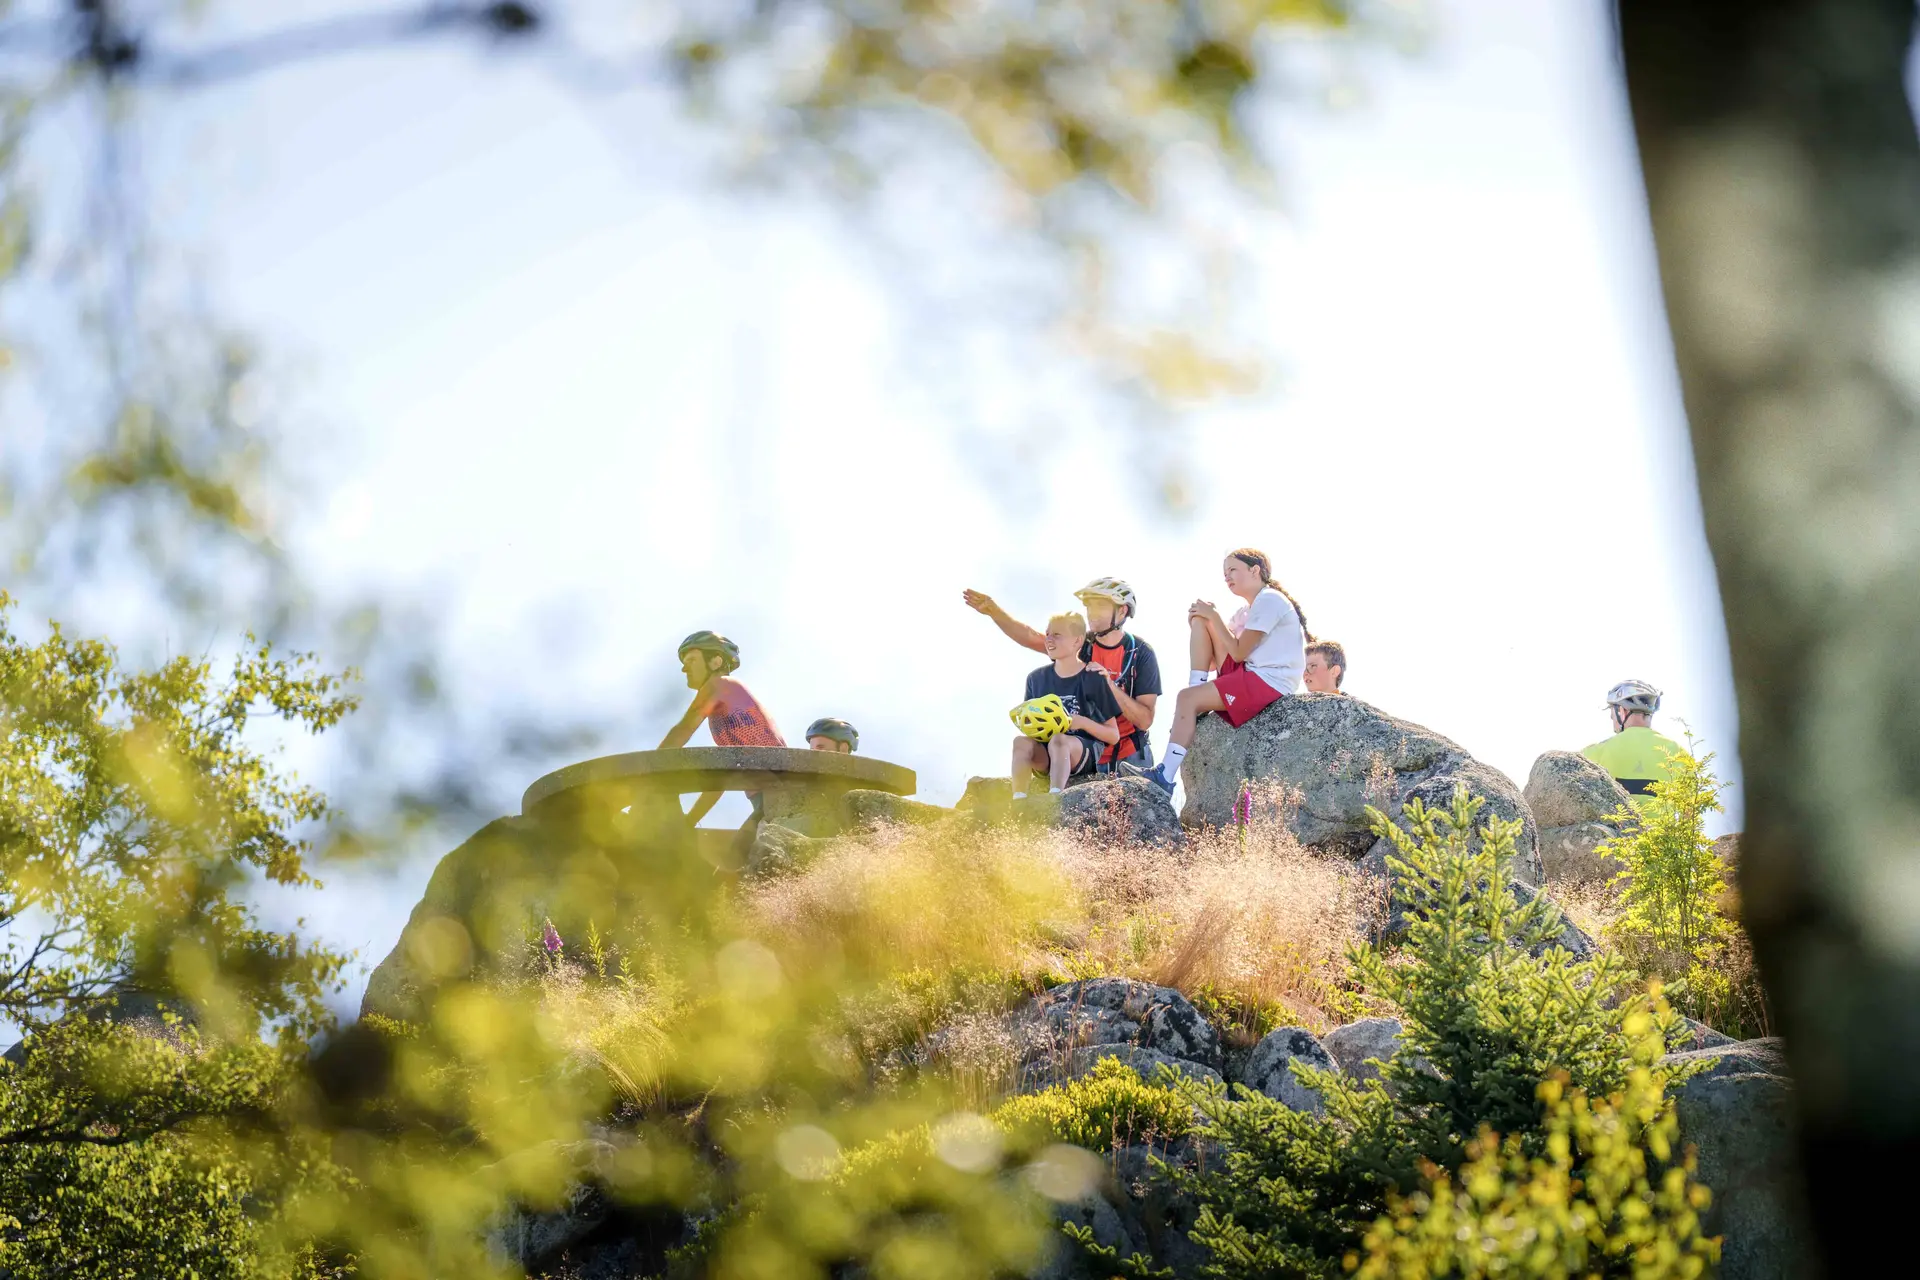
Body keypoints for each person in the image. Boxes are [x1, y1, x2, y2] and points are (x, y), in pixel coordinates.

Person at [1124, 548, 1309, 800]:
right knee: (1202, 618)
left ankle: (1164, 777)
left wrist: (1214, 616)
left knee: (1186, 698)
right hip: (1250, 673)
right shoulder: (1250, 608)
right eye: (1225, 573)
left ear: (1255, 570)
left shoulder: (1270, 600)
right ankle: (1196, 692)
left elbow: (1239, 652)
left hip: (1269, 682)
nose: (1227, 577)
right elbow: (1213, 663)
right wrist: (1203, 623)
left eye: (1233, 569)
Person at [963, 577, 1162, 768]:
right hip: (1085, 752)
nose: (1091, 613)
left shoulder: (1140, 652)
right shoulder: (1080, 644)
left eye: (1100, 606)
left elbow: (1144, 720)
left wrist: (1108, 684)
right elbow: (1031, 638)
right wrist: (994, 611)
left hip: (1131, 754)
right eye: (1089, 606)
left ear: (1122, 611)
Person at [659, 630, 786, 826]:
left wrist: (649, 769)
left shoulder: (719, 684)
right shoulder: (725, 709)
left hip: (776, 793)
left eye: (692, 660)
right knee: (743, 845)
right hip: (769, 796)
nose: (684, 668)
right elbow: (722, 776)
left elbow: (682, 731)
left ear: (716, 662)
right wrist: (690, 821)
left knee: (746, 846)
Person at [1010, 612, 1123, 798]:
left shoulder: (1093, 678)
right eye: (1047, 634)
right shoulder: (1035, 679)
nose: (1049, 639)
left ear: (1077, 641)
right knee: (1020, 742)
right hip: (1046, 755)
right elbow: (1028, 727)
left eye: (1057, 634)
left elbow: (1113, 735)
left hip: (1081, 754)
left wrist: (1081, 722)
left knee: (1059, 740)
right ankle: (1019, 800)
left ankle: (1055, 798)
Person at [1581, 680, 1684, 799]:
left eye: (1612, 712)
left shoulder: (1593, 753)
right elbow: (1690, 804)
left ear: (1622, 711)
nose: (1611, 718)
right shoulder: (1678, 753)